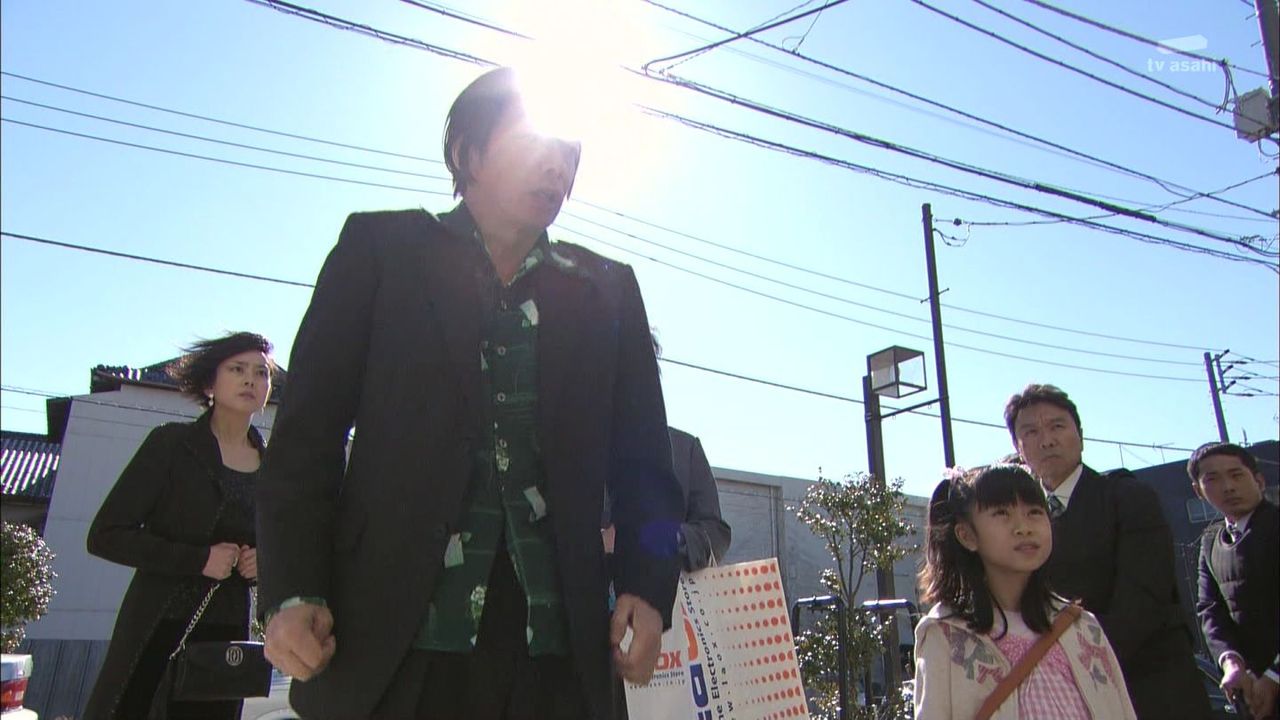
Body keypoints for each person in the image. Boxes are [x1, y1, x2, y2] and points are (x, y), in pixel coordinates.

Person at [256, 66, 685, 720]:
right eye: (536, 145)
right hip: (396, 638)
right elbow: (305, 438)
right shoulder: (381, 252)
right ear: (469, 154)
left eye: (569, 154)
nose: (557, 167)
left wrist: (647, 589)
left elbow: (645, 466)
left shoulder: (607, 290)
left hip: (557, 651)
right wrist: (292, 590)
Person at [83, 332, 275, 720]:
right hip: (158, 625)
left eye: (261, 373)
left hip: (226, 640)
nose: (250, 380)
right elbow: (106, 535)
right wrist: (198, 559)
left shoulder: (274, 470)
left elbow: (285, 544)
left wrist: (264, 563)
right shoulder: (171, 445)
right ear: (209, 384)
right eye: (237, 369)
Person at [1004, 383, 1211, 718]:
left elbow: (1141, 602)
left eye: (1057, 426)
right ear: (1018, 447)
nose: (1047, 440)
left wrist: (1066, 666)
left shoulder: (1126, 497)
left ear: (1080, 436)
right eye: (1031, 432)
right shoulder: (1018, 519)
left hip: (1149, 688)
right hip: (1065, 697)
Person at [913, 464, 1137, 720]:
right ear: (967, 536)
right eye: (1002, 513)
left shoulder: (1083, 627)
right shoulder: (945, 633)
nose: (1023, 527)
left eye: (1034, 512)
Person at [1190, 442, 1279, 719]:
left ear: (1259, 480)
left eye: (1236, 475)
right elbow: (1209, 609)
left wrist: (1274, 676)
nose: (1228, 487)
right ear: (1198, 491)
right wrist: (1231, 662)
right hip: (1251, 692)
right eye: (1213, 479)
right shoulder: (1210, 542)